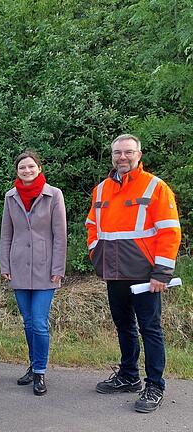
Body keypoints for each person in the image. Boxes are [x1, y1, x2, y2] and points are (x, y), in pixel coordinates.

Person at [86, 134, 181, 413]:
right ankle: (128, 376)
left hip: (145, 275)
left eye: (128, 152)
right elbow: (92, 225)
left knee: (150, 329)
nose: (122, 157)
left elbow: (170, 231)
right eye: (118, 153)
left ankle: (155, 386)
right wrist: (97, 255)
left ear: (139, 155)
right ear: (112, 156)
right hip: (114, 273)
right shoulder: (101, 189)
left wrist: (161, 272)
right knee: (123, 325)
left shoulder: (155, 186)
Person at [0, 151, 67, 396]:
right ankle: (32, 364)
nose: (26, 171)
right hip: (18, 268)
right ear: (17, 171)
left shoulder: (54, 195)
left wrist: (58, 269)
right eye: (22, 168)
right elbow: (6, 233)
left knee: (39, 323)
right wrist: (4, 265)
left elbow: (60, 235)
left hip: (45, 269)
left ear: (39, 168)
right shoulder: (10, 197)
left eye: (30, 166)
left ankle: (40, 371)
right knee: (28, 323)